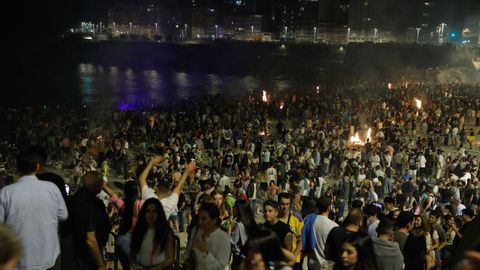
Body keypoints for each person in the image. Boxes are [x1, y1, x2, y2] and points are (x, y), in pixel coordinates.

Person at [0, 147, 68, 270]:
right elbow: (63, 215)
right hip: (48, 258)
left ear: (17, 168)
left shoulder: (6, 193)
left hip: (18, 261)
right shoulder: (51, 188)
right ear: (37, 167)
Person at [70, 171, 111, 270]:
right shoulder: (89, 205)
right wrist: (100, 264)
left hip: (79, 251)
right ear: (97, 186)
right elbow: (90, 240)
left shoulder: (77, 197)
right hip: (88, 256)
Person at [139, 155, 195, 219]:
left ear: (157, 188)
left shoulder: (148, 196)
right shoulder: (169, 204)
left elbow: (141, 178)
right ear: (168, 192)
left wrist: (151, 162)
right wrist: (186, 172)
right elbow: (178, 188)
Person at [129, 198, 175, 270]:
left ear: (159, 213)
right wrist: (133, 265)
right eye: (148, 211)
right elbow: (132, 253)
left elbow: (170, 258)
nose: (151, 214)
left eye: (154, 211)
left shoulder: (165, 232)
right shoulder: (138, 231)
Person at [184, 202, 231, 270]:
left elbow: (220, 267)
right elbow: (188, 249)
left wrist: (205, 252)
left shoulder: (223, 239)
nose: (200, 221)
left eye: (204, 219)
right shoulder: (196, 230)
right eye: (199, 218)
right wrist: (187, 260)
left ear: (214, 220)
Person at [305, 196, 339, 270]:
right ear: (329, 208)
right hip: (326, 266)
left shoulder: (308, 219)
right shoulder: (334, 226)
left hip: (311, 264)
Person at [277, 192, 303, 269]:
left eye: (287, 204)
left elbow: (301, 240)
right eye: (282, 204)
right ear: (278, 203)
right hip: (279, 260)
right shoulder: (274, 219)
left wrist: (293, 256)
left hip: (295, 260)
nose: (285, 207)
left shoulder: (297, 220)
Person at [229, 199, 257, 270]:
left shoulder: (238, 225)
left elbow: (230, 242)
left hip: (238, 258)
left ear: (238, 209)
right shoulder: (250, 222)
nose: (233, 208)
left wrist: (230, 228)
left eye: (234, 207)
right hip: (248, 256)